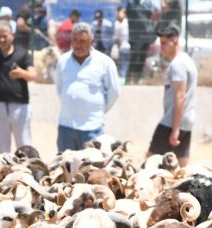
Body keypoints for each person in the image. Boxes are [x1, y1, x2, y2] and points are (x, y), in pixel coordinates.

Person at [54, 22, 119, 152]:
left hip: (92, 128)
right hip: (66, 127)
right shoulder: (63, 61)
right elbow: (60, 88)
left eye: (83, 41)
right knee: (65, 168)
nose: (78, 45)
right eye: (75, 40)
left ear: (92, 41)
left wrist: (98, 109)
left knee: (91, 169)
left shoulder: (105, 63)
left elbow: (114, 92)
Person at [147, 24, 197, 167]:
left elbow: (180, 95)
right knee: (182, 167)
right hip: (186, 120)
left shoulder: (178, 64)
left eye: (164, 43)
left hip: (172, 121)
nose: (161, 47)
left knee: (150, 163)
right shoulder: (187, 60)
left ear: (174, 40)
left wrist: (175, 129)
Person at [0, 20, 36, 154]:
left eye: (5, 36)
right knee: (2, 148)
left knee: (24, 145)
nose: (2, 39)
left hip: (20, 106)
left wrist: (22, 73)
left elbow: (33, 75)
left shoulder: (23, 54)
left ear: (12, 35)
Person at [126, 0, 158, 84]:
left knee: (142, 58)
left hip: (146, 35)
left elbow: (155, 15)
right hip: (134, 36)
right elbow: (124, 13)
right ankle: (128, 79)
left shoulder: (148, 3)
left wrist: (151, 26)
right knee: (134, 58)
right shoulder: (131, 3)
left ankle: (137, 79)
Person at [112, 6, 130, 81]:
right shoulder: (117, 23)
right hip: (121, 47)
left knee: (124, 63)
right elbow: (116, 37)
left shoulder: (126, 22)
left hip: (126, 46)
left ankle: (123, 78)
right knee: (120, 63)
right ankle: (121, 78)